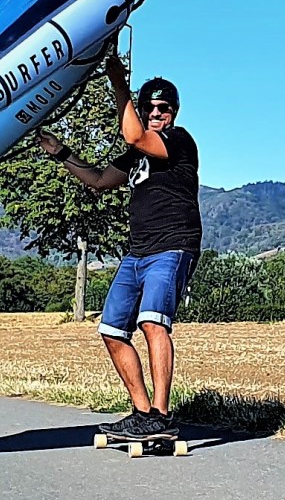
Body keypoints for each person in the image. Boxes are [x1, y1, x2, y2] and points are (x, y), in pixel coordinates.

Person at [36, 57, 200, 439]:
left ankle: (160, 415)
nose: (157, 113)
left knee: (152, 322)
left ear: (173, 113)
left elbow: (135, 136)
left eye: (164, 108)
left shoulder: (178, 141)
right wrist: (60, 152)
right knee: (111, 329)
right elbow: (98, 180)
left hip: (172, 246)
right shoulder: (135, 157)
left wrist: (117, 84)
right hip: (137, 252)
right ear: (143, 110)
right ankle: (142, 413)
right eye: (151, 108)